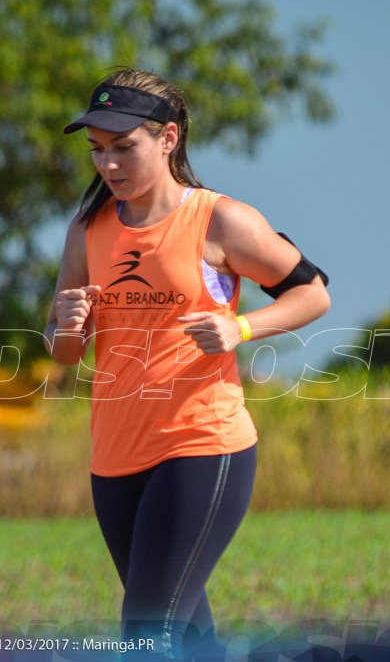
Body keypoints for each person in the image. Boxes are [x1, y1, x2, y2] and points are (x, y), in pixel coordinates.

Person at [45, 68, 330, 659]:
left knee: (147, 630)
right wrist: (66, 327)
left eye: (125, 147)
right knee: (189, 635)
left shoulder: (220, 219)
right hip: (115, 456)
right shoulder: (87, 228)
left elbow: (313, 293)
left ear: (169, 138)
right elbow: (65, 353)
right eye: (98, 151)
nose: (109, 165)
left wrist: (240, 327)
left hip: (201, 444)